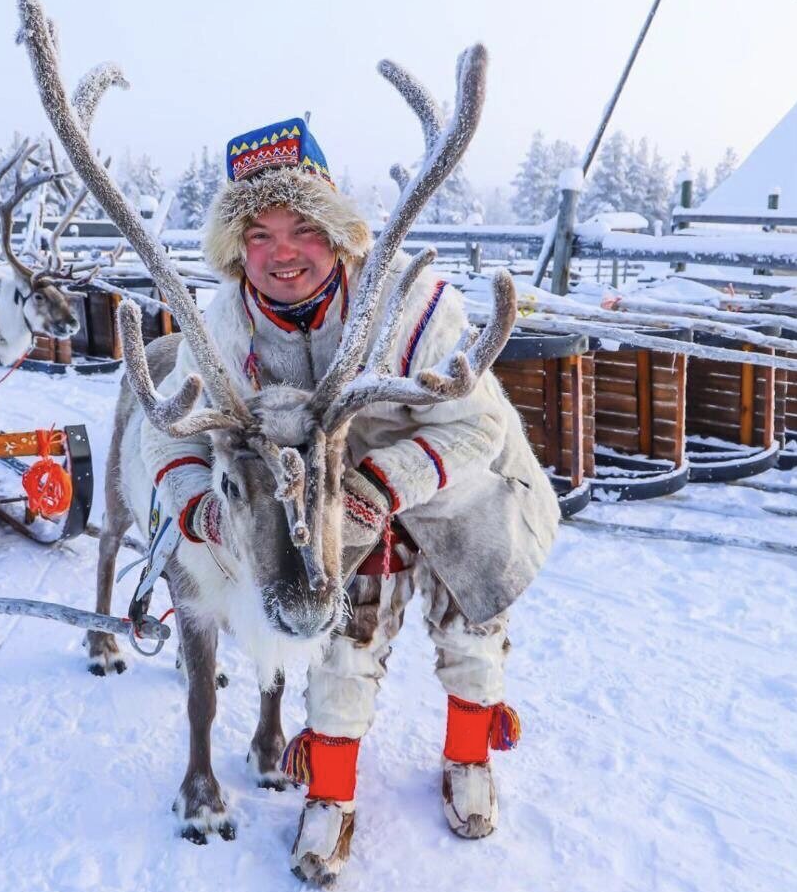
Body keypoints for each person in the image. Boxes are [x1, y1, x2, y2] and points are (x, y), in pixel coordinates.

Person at [141, 118, 559, 884]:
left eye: (302, 226)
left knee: (471, 627)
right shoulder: (222, 327)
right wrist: (202, 510)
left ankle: (470, 755)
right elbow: (165, 437)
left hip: (451, 484)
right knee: (336, 637)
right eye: (258, 234)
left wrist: (377, 485)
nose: (282, 252)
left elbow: (479, 425)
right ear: (236, 249)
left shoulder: (409, 301)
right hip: (329, 503)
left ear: (336, 232)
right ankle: (329, 794)